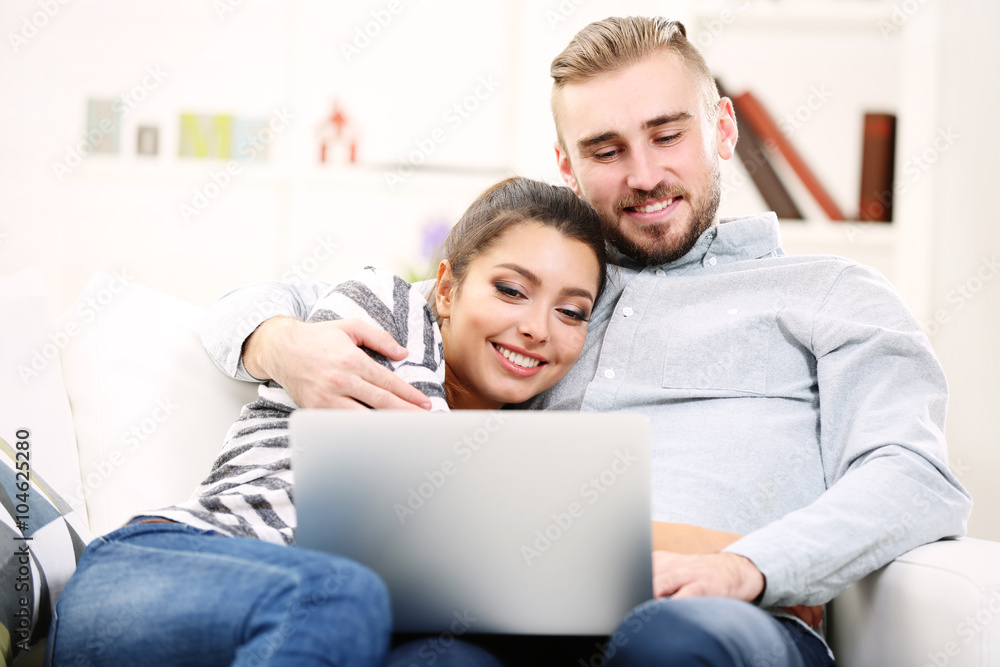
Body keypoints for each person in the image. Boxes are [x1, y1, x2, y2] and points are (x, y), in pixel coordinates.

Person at [198, 16, 973, 667]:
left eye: (667, 135)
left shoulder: (834, 294)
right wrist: (281, 347)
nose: (643, 175)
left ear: (722, 130)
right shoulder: (546, 293)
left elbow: (914, 476)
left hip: (713, 617)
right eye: (606, 151)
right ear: (568, 167)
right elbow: (262, 302)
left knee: (673, 643)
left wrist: (750, 565)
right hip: (504, 615)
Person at [46, 177, 608, 667]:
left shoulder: (535, 443)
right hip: (157, 572)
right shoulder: (388, 312)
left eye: (571, 311)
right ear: (445, 288)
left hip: (323, 627)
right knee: (341, 593)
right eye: (511, 290)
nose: (537, 327)